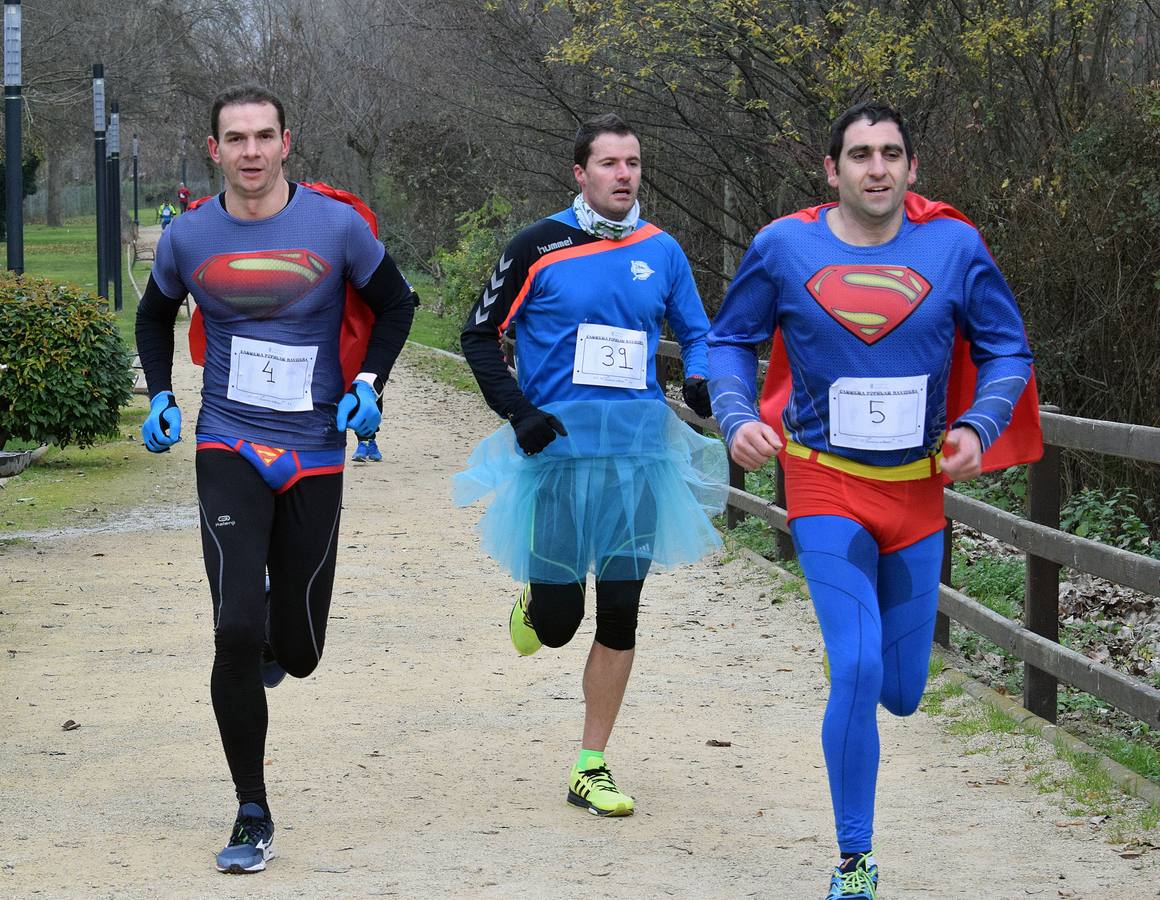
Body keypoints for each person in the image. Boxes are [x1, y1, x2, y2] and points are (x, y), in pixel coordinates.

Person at [707, 101, 1040, 899]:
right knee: (854, 667)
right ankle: (855, 859)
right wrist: (738, 414)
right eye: (860, 154)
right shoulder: (783, 246)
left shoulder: (953, 247)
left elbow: (1007, 348)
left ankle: (888, 682)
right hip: (824, 480)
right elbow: (727, 340)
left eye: (892, 153)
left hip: (919, 493)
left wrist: (979, 423)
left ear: (913, 168)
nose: (877, 167)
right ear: (832, 170)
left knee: (902, 690)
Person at [133, 84, 415, 875]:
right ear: (214, 149)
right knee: (232, 628)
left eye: (264, 137)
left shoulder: (335, 227)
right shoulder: (189, 238)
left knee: (300, 646)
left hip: (316, 450)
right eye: (235, 139)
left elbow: (398, 305)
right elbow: (154, 317)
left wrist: (371, 385)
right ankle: (251, 809)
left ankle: (277, 640)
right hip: (228, 442)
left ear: (287, 143)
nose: (250, 151)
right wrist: (161, 394)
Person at [455, 113, 728, 818]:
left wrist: (698, 379)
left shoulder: (661, 249)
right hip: (558, 455)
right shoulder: (537, 246)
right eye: (608, 163)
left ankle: (591, 762)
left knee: (623, 612)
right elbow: (479, 335)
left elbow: (699, 333)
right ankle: (535, 604)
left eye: (633, 163)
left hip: (639, 456)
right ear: (580, 173)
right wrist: (519, 412)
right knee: (557, 621)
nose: (623, 175)